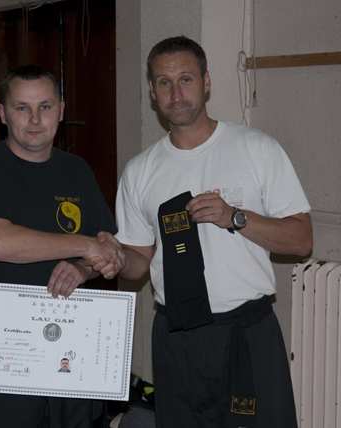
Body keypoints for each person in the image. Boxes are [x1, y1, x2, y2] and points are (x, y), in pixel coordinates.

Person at [90, 36, 313, 427]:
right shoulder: (140, 171)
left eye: (186, 79)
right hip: (177, 336)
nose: (176, 93)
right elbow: (139, 265)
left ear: (207, 82)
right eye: (163, 82)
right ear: (151, 91)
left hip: (248, 332)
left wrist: (235, 218)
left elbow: (301, 239)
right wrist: (116, 257)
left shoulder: (256, 148)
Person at [0, 65, 124, 428]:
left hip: (72, 342)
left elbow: (107, 249)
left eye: (45, 107)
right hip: (3, 343)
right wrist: (84, 245)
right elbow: (0, 243)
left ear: (61, 111)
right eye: (21, 108)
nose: (35, 119)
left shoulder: (77, 171)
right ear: (2, 114)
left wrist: (83, 267)